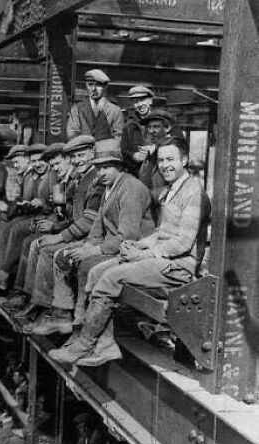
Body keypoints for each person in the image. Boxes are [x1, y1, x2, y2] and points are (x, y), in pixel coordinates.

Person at [49, 138, 210, 366]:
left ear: (184, 160)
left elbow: (183, 243)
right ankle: (105, 346)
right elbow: (163, 233)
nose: (165, 165)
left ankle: (84, 345)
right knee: (97, 272)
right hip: (162, 258)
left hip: (179, 266)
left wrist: (144, 254)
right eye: (161, 160)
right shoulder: (172, 188)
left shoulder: (193, 192)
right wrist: (141, 245)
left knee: (111, 276)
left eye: (171, 159)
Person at [32, 139, 155, 338]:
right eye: (98, 168)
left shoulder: (131, 188)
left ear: (120, 166)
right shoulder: (109, 185)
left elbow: (127, 236)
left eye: (107, 167)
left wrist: (91, 250)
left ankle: (83, 324)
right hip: (110, 243)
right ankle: (61, 316)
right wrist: (86, 244)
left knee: (86, 264)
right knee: (64, 255)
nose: (101, 172)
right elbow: (98, 225)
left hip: (135, 251)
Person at [19, 135, 103, 327]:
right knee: (37, 244)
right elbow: (70, 215)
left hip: (91, 238)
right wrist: (56, 226)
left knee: (48, 251)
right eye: (74, 157)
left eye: (82, 155)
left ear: (92, 153)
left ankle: (47, 307)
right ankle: (35, 300)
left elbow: (89, 221)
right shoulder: (79, 179)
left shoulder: (95, 180)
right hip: (78, 232)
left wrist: (58, 235)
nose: (78, 160)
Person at [0, 143, 57, 295]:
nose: (37, 164)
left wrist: (41, 203)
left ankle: (4, 275)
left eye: (40, 161)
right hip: (33, 214)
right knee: (6, 227)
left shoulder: (51, 176)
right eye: (34, 161)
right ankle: (1, 277)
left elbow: (54, 205)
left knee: (16, 229)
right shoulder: (33, 176)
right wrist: (28, 204)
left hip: (46, 217)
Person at [66, 69, 124, 141]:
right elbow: (72, 134)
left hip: (105, 151)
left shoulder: (115, 110)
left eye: (98, 85)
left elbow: (119, 136)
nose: (93, 89)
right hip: (83, 150)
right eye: (90, 84)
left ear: (105, 87)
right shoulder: (77, 109)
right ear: (86, 85)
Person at [120, 84, 156, 175]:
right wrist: (133, 155)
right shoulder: (129, 125)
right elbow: (124, 149)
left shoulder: (162, 121)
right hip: (137, 172)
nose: (140, 104)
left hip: (158, 171)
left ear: (150, 101)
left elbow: (175, 143)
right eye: (136, 101)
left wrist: (155, 148)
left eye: (143, 100)